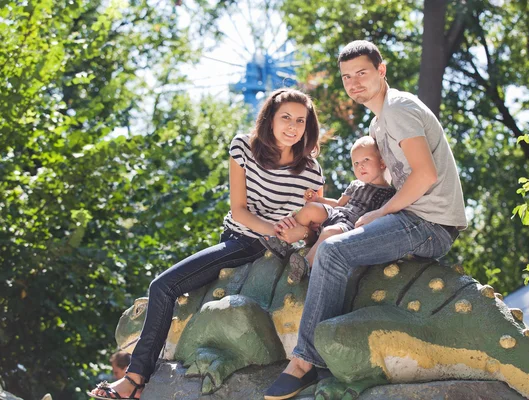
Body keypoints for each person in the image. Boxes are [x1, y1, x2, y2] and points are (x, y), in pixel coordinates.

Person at [87, 88, 325, 400]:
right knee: (162, 286)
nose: (293, 126)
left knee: (163, 286)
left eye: (300, 120)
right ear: (269, 119)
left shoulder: (311, 171)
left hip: (272, 249)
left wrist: (295, 232)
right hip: (239, 238)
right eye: (286, 118)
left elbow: (316, 224)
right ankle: (137, 376)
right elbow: (239, 209)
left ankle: (133, 379)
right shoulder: (244, 147)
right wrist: (273, 228)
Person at [264, 40, 467, 400]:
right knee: (332, 235)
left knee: (334, 252)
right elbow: (387, 180)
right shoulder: (377, 125)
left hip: (429, 225)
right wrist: (340, 206)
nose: (354, 83)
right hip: (409, 215)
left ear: (381, 71)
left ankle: (304, 363)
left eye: (362, 73)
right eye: (347, 77)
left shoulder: (399, 109)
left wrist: (378, 213)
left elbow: (424, 175)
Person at [260, 136, 395, 283]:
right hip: (338, 214)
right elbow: (338, 204)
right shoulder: (355, 184)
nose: (360, 166)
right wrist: (318, 200)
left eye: (366, 160)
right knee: (310, 208)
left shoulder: (389, 194)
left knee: (329, 232)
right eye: (355, 163)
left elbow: (383, 219)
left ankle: (305, 264)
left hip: (351, 226)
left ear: (382, 163)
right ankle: (283, 240)